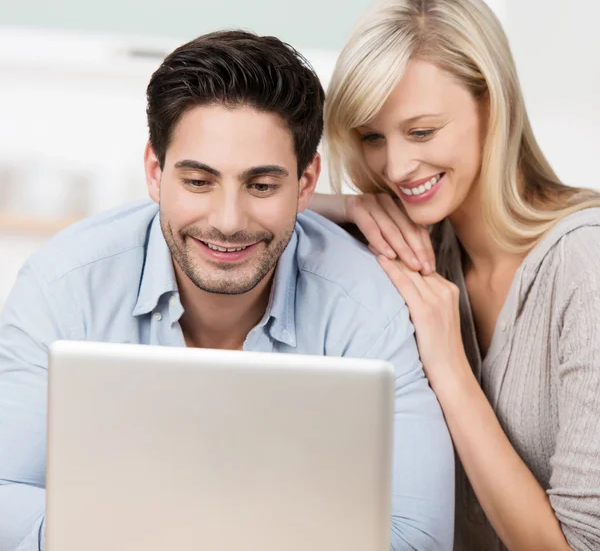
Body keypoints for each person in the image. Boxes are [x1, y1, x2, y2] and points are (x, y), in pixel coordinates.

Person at [0, 30, 454, 551]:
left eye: (261, 186)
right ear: (155, 171)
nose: (228, 221)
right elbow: (5, 496)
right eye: (198, 181)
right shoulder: (63, 285)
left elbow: (420, 538)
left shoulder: (365, 307)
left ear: (306, 184)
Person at [311, 0, 600, 551]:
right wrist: (348, 204)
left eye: (421, 131)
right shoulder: (416, 243)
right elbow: (217, 213)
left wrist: (450, 366)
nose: (395, 166)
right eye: (372, 138)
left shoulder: (584, 264)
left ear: (492, 103)